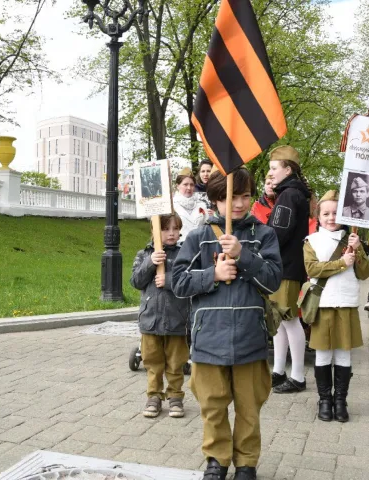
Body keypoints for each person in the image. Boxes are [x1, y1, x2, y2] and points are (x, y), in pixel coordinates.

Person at [172, 168, 282, 480]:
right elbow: (179, 283)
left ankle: (246, 464)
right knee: (213, 407)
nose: (240, 203)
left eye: (246, 196)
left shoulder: (264, 235)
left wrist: (243, 256)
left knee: (249, 408)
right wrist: (213, 275)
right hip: (209, 340)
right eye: (232, 196)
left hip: (250, 339)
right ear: (217, 199)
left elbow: (274, 282)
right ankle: (216, 462)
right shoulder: (198, 237)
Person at [303, 190, 369, 422]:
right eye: (326, 213)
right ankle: (324, 400)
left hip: (346, 304)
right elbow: (312, 269)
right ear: (318, 216)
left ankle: (340, 400)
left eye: (335, 213)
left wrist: (358, 249)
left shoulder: (351, 239)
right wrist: (342, 263)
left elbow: (364, 273)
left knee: (343, 354)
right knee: (322, 354)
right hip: (323, 304)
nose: (331, 218)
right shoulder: (311, 241)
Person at [130, 214, 190, 418]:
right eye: (166, 229)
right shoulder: (144, 253)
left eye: (175, 228)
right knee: (152, 362)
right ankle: (154, 397)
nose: (172, 233)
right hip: (151, 320)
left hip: (177, 319)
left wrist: (169, 280)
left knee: (175, 363)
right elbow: (136, 281)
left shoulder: (184, 255)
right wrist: (150, 263)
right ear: (155, 231)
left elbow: (189, 281)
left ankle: (175, 397)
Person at [266, 145, 312, 394]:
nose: (270, 173)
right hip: (286, 266)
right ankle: (279, 371)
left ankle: (297, 376)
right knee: (281, 321)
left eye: (274, 168)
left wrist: (261, 246)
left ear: (287, 169)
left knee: (289, 320)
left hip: (286, 267)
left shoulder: (288, 195)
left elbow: (279, 233)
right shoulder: (291, 193)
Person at [172, 168, 206, 241]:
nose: (189, 188)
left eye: (192, 185)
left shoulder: (202, 205)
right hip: (179, 247)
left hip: (200, 245)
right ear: (178, 186)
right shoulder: (172, 206)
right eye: (185, 184)